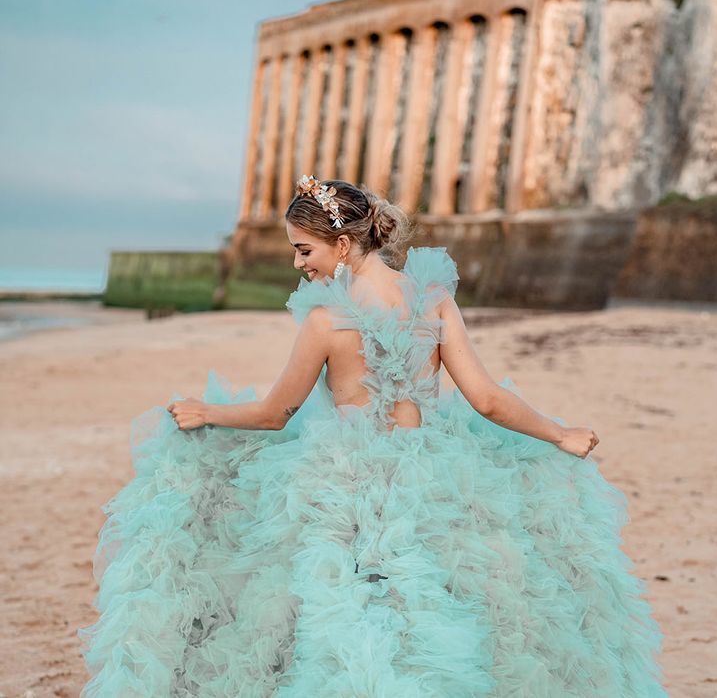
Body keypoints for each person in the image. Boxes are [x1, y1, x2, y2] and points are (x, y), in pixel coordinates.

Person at [78, 176, 667, 697]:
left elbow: (276, 413)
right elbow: (486, 399)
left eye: (303, 250)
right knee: (439, 600)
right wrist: (557, 432)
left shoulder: (326, 320)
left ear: (340, 244)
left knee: (342, 606)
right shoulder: (434, 300)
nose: (297, 264)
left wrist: (206, 412)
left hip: (348, 478)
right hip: (434, 470)